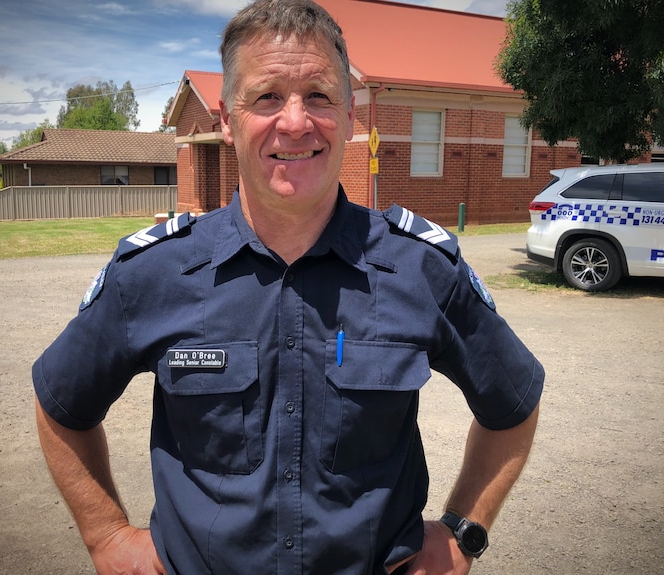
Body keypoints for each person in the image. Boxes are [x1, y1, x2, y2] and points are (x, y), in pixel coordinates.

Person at [33, 1, 543, 573]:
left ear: (352, 118)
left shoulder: (422, 268)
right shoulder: (153, 273)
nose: (295, 122)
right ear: (227, 120)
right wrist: (105, 536)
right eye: (267, 96)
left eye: (320, 96)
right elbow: (61, 403)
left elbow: (513, 403)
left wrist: (462, 534)